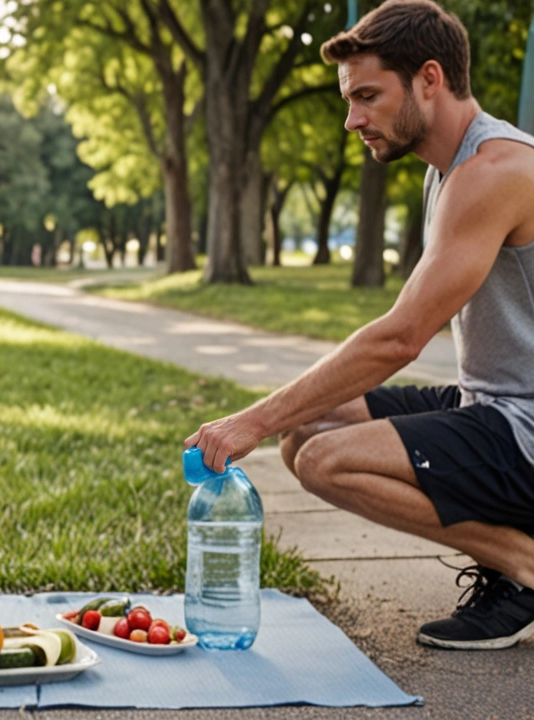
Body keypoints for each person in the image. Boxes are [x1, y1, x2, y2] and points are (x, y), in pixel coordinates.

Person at [185, 0, 534, 651]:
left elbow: (401, 337)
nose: (352, 120)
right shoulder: (451, 167)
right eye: (350, 100)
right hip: (492, 405)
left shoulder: (493, 172)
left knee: (325, 460)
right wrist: (274, 418)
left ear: (430, 79)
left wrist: (251, 420)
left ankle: (523, 566)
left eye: (368, 97)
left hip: (525, 427)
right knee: (305, 430)